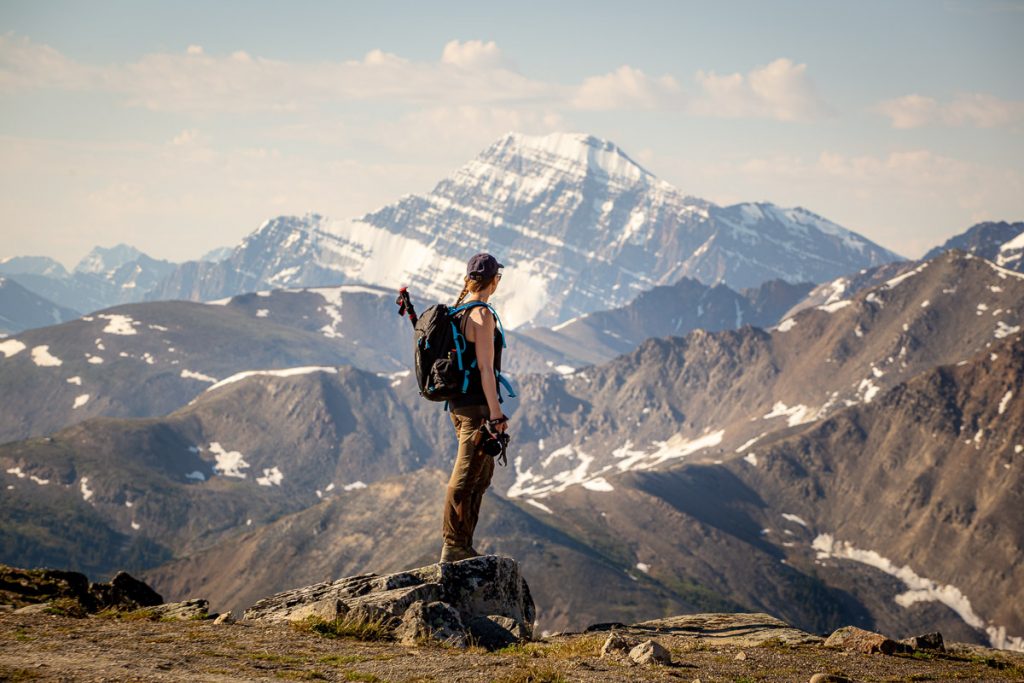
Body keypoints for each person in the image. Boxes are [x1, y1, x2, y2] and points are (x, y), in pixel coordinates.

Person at [440, 253, 510, 563]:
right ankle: (453, 545)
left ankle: (463, 545)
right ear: (495, 281)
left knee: (481, 474)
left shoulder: (457, 313)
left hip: (458, 405)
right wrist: (496, 414)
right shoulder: (482, 315)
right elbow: (485, 369)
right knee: (467, 474)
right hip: (477, 408)